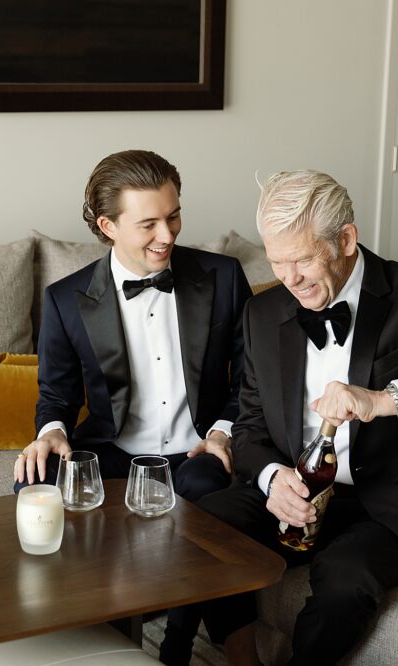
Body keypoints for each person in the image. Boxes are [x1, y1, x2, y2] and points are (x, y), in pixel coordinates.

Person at [163, 170, 398, 666]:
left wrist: (387, 399)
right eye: (277, 261)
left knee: (345, 577)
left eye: (301, 260)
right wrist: (274, 480)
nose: (288, 278)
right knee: (203, 529)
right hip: (298, 488)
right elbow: (248, 426)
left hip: (391, 504)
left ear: (345, 240)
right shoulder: (263, 312)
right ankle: (242, 664)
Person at [14, 149, 251, 505]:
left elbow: (253, 376)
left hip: (199, 450)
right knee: (35, 481)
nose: (167, 235)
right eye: (148, 224)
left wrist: (223, 432)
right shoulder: (64, 300)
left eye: (173, 217)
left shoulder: (225, 277)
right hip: (112, 452)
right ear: (109, 226)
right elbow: (57, 394)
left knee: (208, 491)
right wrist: (51, 432)